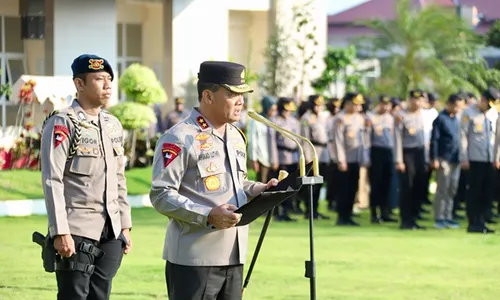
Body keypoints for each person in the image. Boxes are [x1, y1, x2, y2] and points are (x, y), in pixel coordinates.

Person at [149, 61, 278, 300]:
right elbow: (161, 195)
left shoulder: (236, 136)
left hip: (233, 254)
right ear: (208, 96)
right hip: (195, 258)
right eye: (232, 94)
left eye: (242, 94)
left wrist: (260, 189)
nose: (241, 101)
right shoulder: (179, 137)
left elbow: (237, 183)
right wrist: (207, 215)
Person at [40, 54, 132, 300]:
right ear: (79, 84)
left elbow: (119, 178)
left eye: (109, 79)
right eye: (100, 79)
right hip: (77, 229)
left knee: (101, 295)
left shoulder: (113, 125)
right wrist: (60, 231)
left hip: (110, 232)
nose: (108, 85)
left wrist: (124, 224)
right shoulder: (63, 123)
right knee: (74, 296)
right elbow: (52, 180)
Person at [460, 87, 500, 233]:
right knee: (474, 192)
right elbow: (463, 136)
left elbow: (497, 138)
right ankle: (473, 222)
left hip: (489, 160)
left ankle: (482, 221)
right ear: (482, 100)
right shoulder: (468, 112)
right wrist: (464, 158)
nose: (489, 107)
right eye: (488, 104)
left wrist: (497, 158)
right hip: (474, 159)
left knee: (487, 193)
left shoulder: (493, 113)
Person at [332, 92, 368, 226]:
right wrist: (341, 159)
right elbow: (338, 140)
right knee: (344, 189)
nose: (358, 107)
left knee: (353, 188)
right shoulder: (340, 118)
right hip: (345, 159)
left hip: (356, 158)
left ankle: (348, 215)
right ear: (347, 104)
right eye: (355, 104)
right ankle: (342, 216)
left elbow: (364, 140)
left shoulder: (359, 118)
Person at [430, 93, 464, 229]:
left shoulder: (457, 119)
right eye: (456, 106)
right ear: (449, 104)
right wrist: (435, 158)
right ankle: (439, 217)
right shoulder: (440, 119)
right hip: (444, 158)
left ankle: (448, 216)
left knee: (452, 189)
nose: (458, 110)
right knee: (442, 189)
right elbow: (435, 140)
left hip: (456, 158)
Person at [394, 89, 427, 230]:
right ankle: (406, 219)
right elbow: (397, 139)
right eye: (415, 99)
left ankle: (414, 217)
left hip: (420, 153)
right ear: (410, 100)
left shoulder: (422, 115)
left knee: (418, 186)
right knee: (407, 186)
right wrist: (399, 160)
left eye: (420, 100)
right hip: (407, 153)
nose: (417, 102)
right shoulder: (402, 116)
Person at [366, 95, 397, 224]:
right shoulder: (371, 118)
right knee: (376, 183)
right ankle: (374, 213)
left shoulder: (391, 119)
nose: (386, 107)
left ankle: (385, 211)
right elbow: (367, 139)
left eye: (388, 104)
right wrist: (366, 156)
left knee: (387, 183)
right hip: (376, 151)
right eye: (383, 104)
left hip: (389, 152)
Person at [300, 95, 331, 220]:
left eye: (321, 105)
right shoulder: (306, 118)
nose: (319, 107)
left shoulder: (322, 117)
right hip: (312, 152)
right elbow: (305, 139)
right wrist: (308, 157)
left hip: (323, 152)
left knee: (319, 184)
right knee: (311, 184)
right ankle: (309, 210)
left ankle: (316, 209)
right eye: (317, 105)